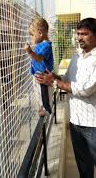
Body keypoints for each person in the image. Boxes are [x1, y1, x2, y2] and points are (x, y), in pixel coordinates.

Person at [36, 17, 96, 178]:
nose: (79, 37)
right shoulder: (77, 56)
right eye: (78, 34)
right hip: (75, 122)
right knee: (84, 167)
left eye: (85, 34)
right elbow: (66, 79)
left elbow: (84, 89)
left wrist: (54, 82)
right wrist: (51, 75)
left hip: (93, 124)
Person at [24, 18, 54, 116]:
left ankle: (46, 109)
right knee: (38, 93)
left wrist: (29, 51)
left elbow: (38, 58)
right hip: (38, 74)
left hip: (43, 75)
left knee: (44, 93)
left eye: (33, 35)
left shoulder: (46, 46)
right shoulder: (40, 44)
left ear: (40, 33)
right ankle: (42, 108)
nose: (32, 38)